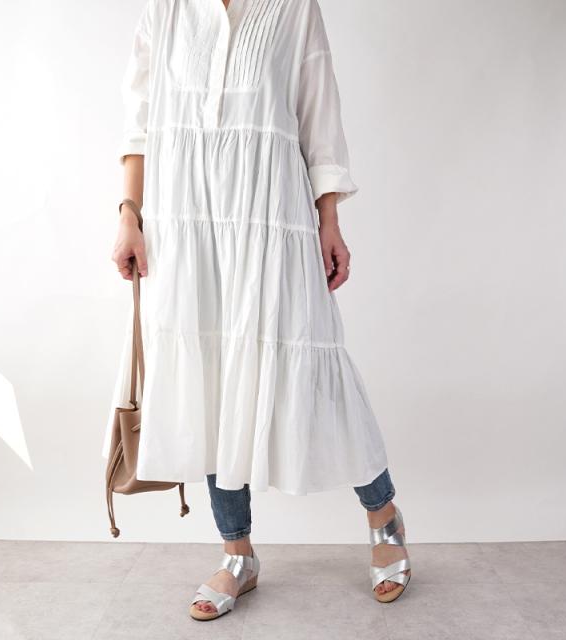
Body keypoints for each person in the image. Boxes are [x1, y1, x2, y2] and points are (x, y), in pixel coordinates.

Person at [106, 0, 412, 620]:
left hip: (273, 215)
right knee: (211, 380)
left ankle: (384, 516)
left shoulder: (294, 8)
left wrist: (329, 221)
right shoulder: (167, 9)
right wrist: (129, 215)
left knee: (316, 368)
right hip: (187, 221)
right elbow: (139, 122)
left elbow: (319, 120)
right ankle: (237, 552)